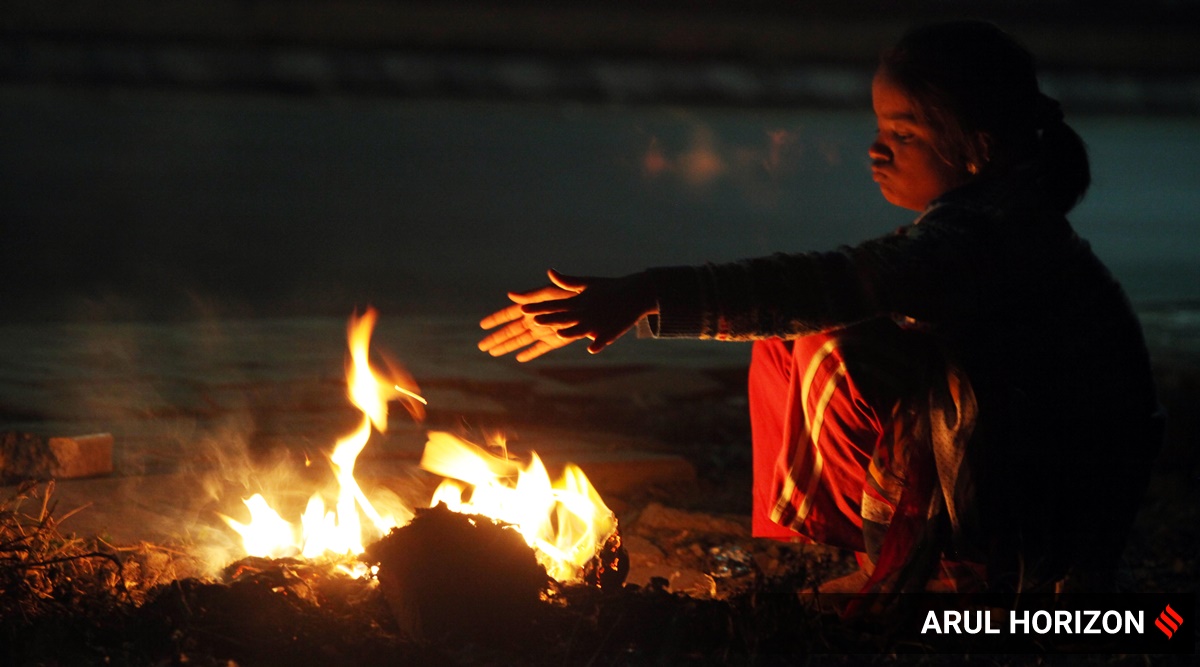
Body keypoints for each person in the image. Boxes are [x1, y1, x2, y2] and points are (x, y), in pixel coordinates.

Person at [478, 21, 1163, 597]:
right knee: (786, 341)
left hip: (1043, 531)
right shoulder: (992, 216)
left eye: (904, 132)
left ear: (979, 149)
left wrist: (651, 293)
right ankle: (842, 549)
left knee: (832, 342)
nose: (877, 149)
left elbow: (832, 283)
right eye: (879, 127)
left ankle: (927, 575)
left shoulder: (984, 237)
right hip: (1033, 498)